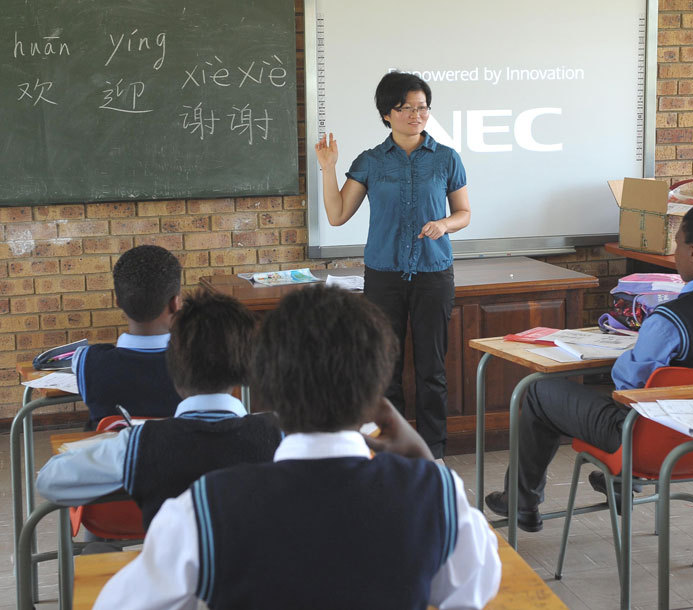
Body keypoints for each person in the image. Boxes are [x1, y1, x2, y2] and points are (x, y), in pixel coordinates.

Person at [93, 285, 501, 609]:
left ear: (263, 388)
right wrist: (427, 467)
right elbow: (475, 587)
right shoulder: (437, 497)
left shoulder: (203, 508)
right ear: (379, 393)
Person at [486, 199, 693, 532]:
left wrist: (637, 349)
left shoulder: (673, 318)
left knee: (540, 391)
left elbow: (629, 386)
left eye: (678, 246)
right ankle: (620, 480)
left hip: (655, 446)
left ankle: (522, 502)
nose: (676, 254)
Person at [314, 71, 471, 459]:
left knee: (432, 370)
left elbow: (464, 213)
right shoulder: (369, 161)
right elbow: (336, 215)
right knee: (387, 368)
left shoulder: (446, 158)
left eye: (422, 107)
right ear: (387, 114)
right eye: (405, 108)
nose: (416, 115)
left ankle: (433, 451)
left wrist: (444, 225)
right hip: (383, 277)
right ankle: (391, 451)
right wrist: (328, 167)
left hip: (434, 274)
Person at [36, 290, 282, 530]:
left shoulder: (139, 445)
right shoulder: (281, 436)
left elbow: (49, 480)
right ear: (246, 368)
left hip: (173, 569)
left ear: (172, 366)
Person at [72, 244, 183, 429]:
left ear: (118, 301)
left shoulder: (86, 361)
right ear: (176, 304)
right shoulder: (200, 364)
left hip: (117, 457)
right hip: (180, 456)